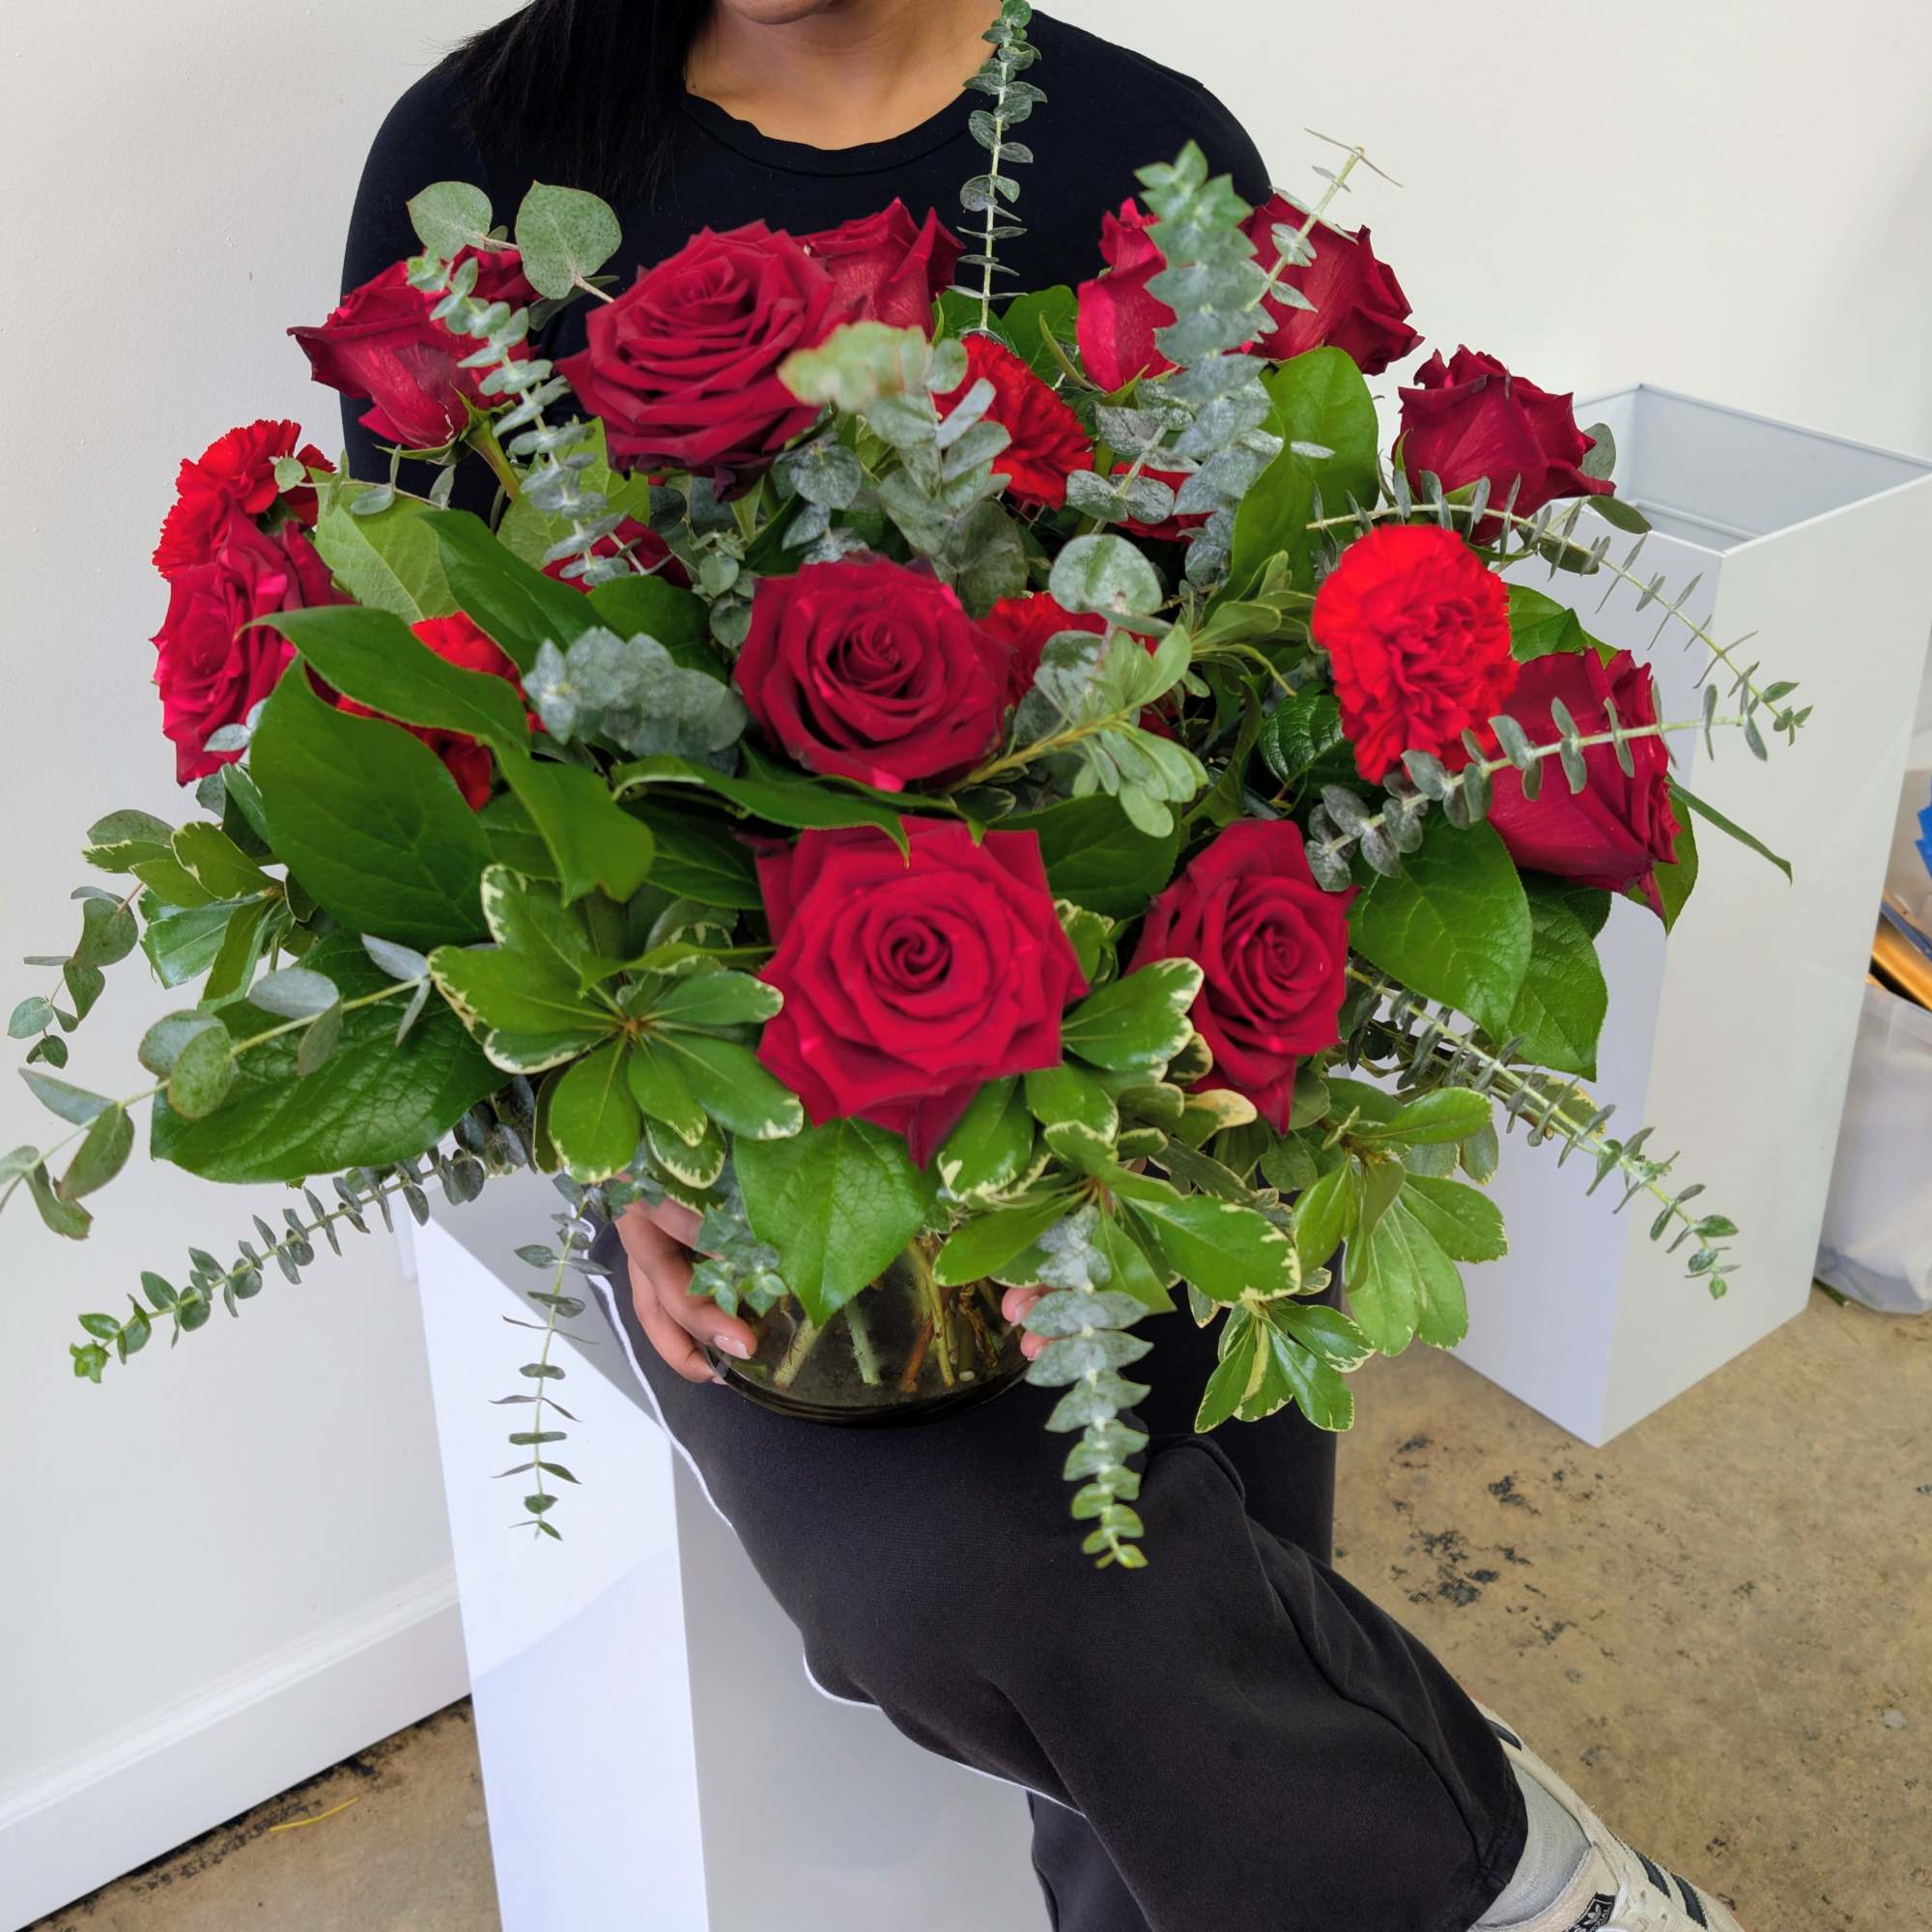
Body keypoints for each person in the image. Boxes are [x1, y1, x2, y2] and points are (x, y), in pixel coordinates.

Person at [341, 7, 1747, 1928]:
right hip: (737, 1086)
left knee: (1176, 1518)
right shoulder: (491, 147)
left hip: (1159, 1035)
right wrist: (610, 1154)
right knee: (956, 1571)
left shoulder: (1136, 146)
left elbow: (1262, 662)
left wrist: (1216, 1072)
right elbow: (441, 724)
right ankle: (1513, 1882)